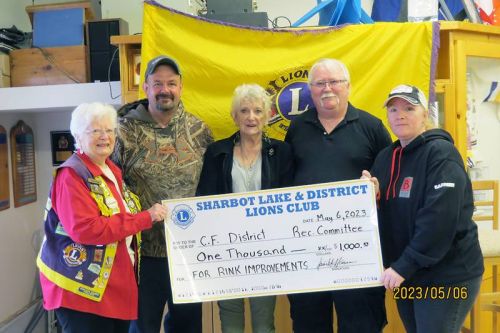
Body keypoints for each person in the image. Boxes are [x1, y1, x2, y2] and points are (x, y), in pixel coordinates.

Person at [362, 84, 484, 333]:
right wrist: (368, 195)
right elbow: (387, 211)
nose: (400, 115)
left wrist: (403, 265)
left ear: (424, 115)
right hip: (409, 273)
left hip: (447, 274)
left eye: (409, 108)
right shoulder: (386, 157)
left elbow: (439, 218)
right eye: (393, 109)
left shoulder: (441, 154)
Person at [37, 102, 167, 333]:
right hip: (80, 290)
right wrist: (145, 218)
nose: (104, 137)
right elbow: (86, 229)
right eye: (95, 130)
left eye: (109, 130)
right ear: (77, 135)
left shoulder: (109, 169)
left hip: (109, 287)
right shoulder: (71, 175)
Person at [284, 58, 392, 333]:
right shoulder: (296, 129)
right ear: (310, 89)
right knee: (309, 323)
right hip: (308, 250)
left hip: (358, 252)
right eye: (320, 83)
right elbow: (285, 183)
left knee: (361, 324)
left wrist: (378, 188)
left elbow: (391, 180)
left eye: (334, 82)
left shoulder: (372, 127)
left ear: (348, 87)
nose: (327, 88)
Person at [112, 55, 213, 333]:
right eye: (157, 83)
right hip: (142, 255)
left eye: (171, 83)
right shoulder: (122, 131)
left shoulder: (199, 130)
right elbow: (109, 186)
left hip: (189, 252)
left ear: (181, 87)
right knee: (142, 326)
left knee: (188, 326)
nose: (164, 89)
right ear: (145, 87)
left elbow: (210, 186)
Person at [196, 83, 293, 333]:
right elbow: (204, 200)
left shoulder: (281, 153)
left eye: (258, 111)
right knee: (230, 324)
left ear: (268, 116)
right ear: (234, 116)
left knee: (264, 324)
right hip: (226, 251)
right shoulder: (217, 153)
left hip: (267, 250)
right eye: (244, 110)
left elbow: (291, 202)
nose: (251, 117)